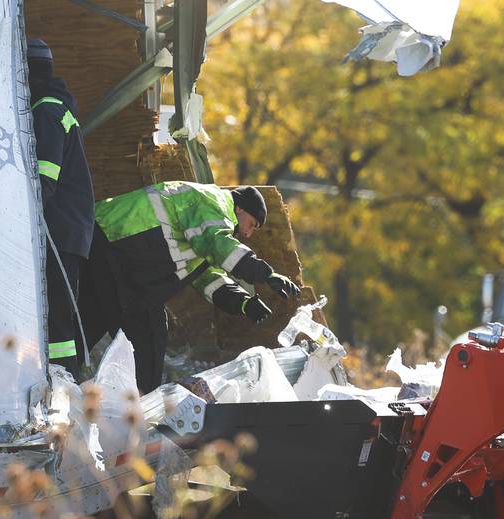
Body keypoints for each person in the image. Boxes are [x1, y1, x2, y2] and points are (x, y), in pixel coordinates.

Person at [79, 181, 301, 393]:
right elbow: (220, 246)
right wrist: (267, 274)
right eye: (252, 224)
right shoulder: (213, 202)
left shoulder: (204, 228)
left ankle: (64, 374)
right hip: (115, 245)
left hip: (120, 259)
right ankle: (136, 410)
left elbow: (205, 276)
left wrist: (244, 303)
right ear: (240, 208)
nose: (248, 234)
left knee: (90, 325)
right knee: (145, 339)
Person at [28, 38, 95, 379]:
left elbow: (44, 180)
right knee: (60, 316)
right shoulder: (58, 106)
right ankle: (66, 381)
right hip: (71, 229)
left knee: (56, 317)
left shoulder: (46, 110)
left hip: (59, 229)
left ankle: (62, 385)